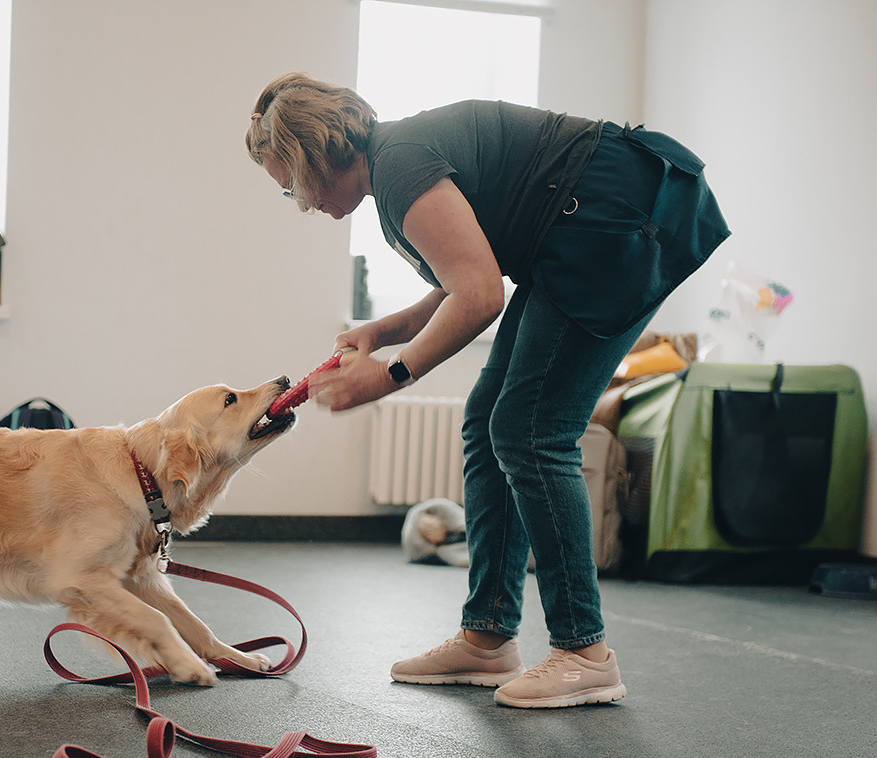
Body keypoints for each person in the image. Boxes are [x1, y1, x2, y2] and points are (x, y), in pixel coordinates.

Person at [245, 72, 728, 709]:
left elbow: (479, 296)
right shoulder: (399, 161)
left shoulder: (400, 167)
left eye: (289, 182)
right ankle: (488, 636)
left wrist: (391, 374)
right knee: (489, 420)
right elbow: (464, 273)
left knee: (530, 430)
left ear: (315, 153)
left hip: (621, 216)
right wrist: (383, 332)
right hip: (583, 225)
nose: (298, 200)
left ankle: (584, 652)